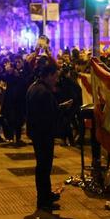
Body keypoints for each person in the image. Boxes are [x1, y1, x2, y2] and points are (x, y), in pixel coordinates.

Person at [26, 63, 69, 211]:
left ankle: (45, 195)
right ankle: (43, 199)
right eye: (55, 76)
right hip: (43, 134)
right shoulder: (43, 92)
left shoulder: (34, 87)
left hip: (37, 133)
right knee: (44, 166)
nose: (56, 80)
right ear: (49, 75)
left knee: (43, 166)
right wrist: (62, 109)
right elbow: (48, 115)